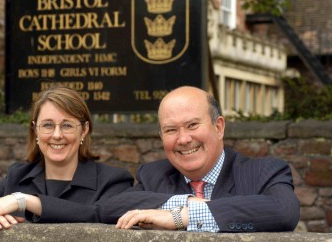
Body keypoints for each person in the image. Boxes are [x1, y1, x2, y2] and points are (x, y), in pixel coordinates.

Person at [101, 86, 300, 232]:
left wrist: (183, 216)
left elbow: (284, 211)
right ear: (161, 136)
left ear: (219, 127)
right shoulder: (154, 175)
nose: (184, 139)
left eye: (193, 125)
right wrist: (184, 201)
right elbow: (110, 207)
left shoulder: (262, 172)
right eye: (171, 130)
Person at [0, 86, 134, 232]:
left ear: (84, 130)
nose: (57, 135)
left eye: (67, 125)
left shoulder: (113, 180)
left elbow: (97, 215)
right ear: (35, 131)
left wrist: (23, 201)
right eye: (48, 125)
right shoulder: (19, 176)